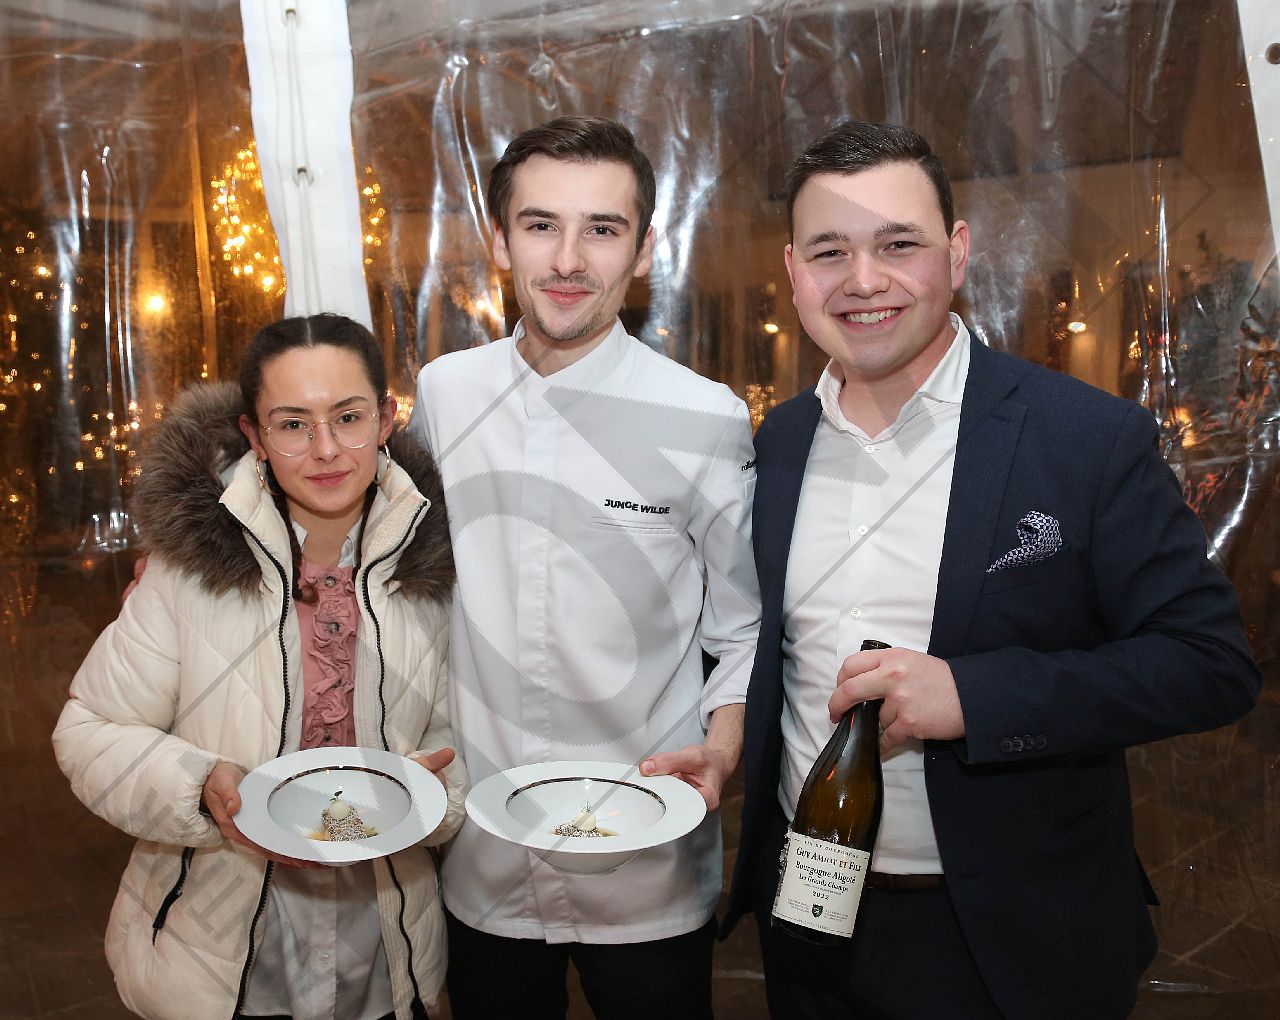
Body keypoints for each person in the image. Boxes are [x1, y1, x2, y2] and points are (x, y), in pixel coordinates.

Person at [722, 121, 1261, 1020]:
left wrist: (975, 698)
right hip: (808, 922)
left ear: (959, 252)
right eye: (830, 251)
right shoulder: (778, 442)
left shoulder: (1083, 438)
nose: (863, 280)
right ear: (793, 271)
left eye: (899, 244)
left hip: (1013, 937)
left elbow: (1210, 665)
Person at [407, 116, 760, 1018]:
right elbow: (393, 562)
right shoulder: (445, 393)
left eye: (602, 229)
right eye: (540, 225)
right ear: (500, 240)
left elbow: (743, 625)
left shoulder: (705, 416)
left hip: (647, 857)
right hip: (483, 852)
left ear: (641, 251)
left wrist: (724, 749)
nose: (568, 259)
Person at [53, 313, 465, 1020]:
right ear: (255, 436)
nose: (326, 449)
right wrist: (197, 784)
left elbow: (466, 740)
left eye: (348, 417)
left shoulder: (435, 573)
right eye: (293, 424)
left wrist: (435, 793)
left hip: (385, 948)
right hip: (217, 954)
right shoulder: (190, 574)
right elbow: (89, 729)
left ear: (386, 418)